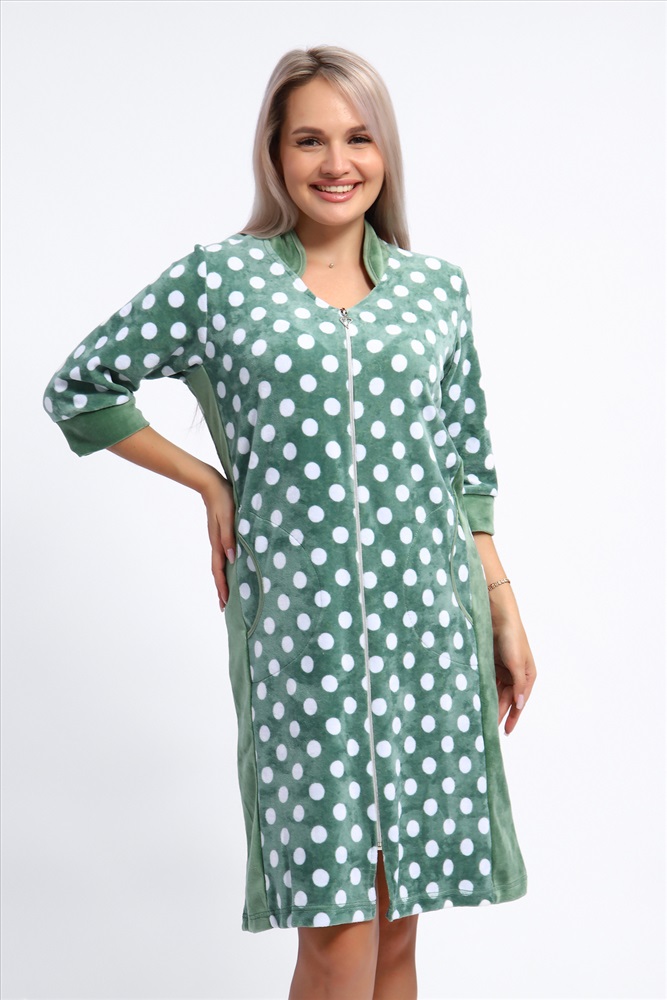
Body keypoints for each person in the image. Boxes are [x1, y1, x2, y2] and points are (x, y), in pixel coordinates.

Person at [43, 44, 537, 1000]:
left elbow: (464, 467)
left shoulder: (435, 290)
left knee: (397, 930)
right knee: (336, 936)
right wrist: (209, 483)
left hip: (430, 633)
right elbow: (80, 386)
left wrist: (502, 609)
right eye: (309, 139)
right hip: (301, 641)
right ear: (274, 152)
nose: (336, 162)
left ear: (385, 152)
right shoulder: (220, 281)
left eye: (358, 138)